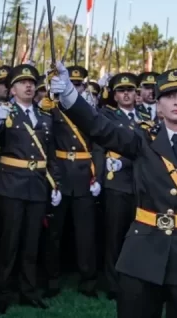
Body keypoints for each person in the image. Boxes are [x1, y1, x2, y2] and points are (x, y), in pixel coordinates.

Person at [50, 64, 177, 318]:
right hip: (142, 252)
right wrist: (69, 96)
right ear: (158, 105)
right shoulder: (142, 139)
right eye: (169, 96)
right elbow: (100, 128)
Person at [0, 63, 61, 314]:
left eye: (31, 82)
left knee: (32, 243)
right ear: (12, 89)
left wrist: (55, 182)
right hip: (11, 184)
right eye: (22, 82)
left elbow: (50, 154)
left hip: (38, 184)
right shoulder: (4, 113)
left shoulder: (44, 116)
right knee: (9, 243)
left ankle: (28, 291)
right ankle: (2, 293)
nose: (29, 86)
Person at [44, 65, 102, 298]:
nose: (75, 88)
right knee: (54, 233)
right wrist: (52, 178)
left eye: (79, 85)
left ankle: (88, 281)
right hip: (60, 174)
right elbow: (46, 146)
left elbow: (98, 144)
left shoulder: (88, 111)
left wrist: (97, 175)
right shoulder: (52, 110)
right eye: (72, 84)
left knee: (86, 234)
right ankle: (51, 279)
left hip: (84, 176)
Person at [98, 72, 142, 300]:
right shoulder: (108, 115)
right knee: (114, 235)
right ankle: (113, 283)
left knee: (137, 236)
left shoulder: (145, 115)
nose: (126, 94)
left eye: (130, 90)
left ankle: (132, 279)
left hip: (140, 183)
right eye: (122, 91)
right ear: (114, 95)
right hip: (118, 181)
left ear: (136, 94)